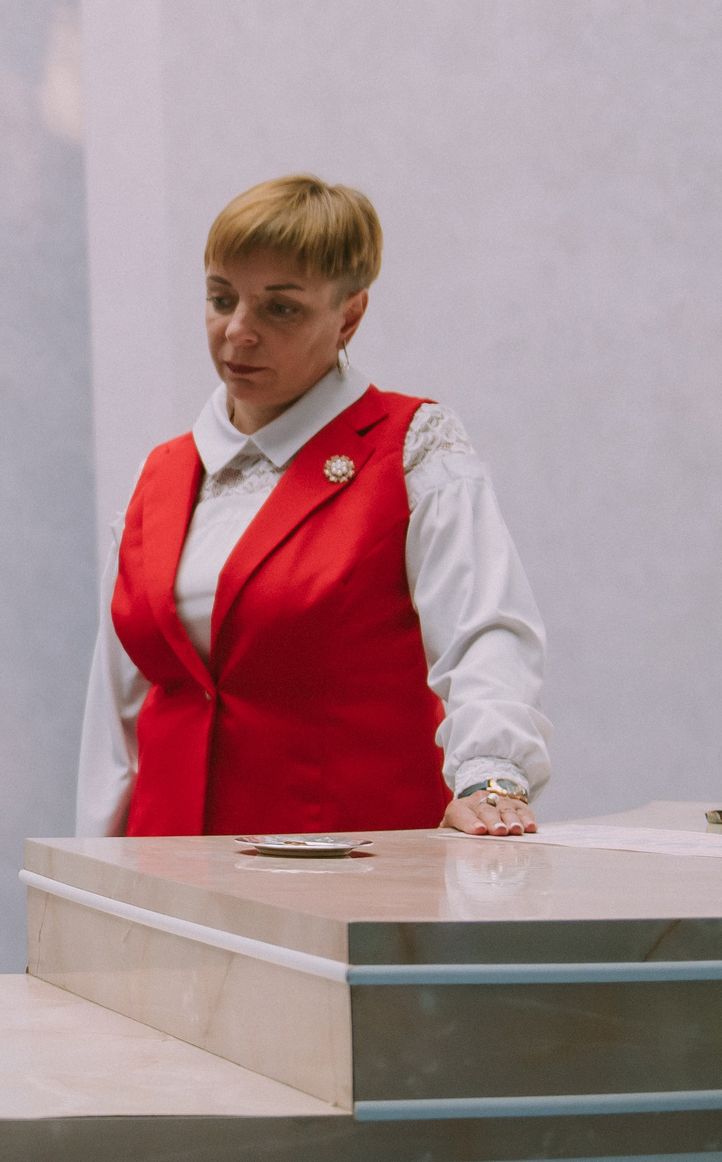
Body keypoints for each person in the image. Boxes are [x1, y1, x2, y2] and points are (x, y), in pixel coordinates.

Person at [77, 175, 552, 840]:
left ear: (350, 315)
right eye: (221, 299)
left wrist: (491, 772)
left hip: (347, 881)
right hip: (168, 876)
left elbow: (486, 630)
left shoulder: (413, 446)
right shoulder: (160, 474)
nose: (238, 332)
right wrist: (92, 880)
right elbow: (115, 714)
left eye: (281, 309)